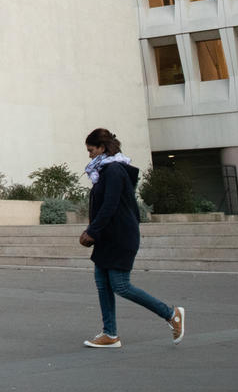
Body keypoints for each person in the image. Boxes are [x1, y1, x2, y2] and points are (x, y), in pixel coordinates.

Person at [78, 128, 184, 349]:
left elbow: (110, 205)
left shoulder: (114, 170)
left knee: (120, 285)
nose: (88, 154)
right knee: (102, 284)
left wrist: (92, 231)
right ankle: (110, 334)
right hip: (108, 236)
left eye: (91, 150)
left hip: (120, 236)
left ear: (102, 148)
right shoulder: (104, 171)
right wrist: (96, 231)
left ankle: (171, 314)